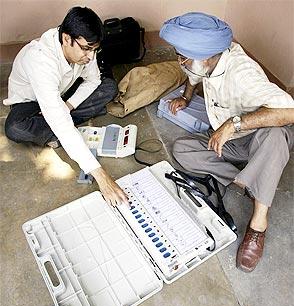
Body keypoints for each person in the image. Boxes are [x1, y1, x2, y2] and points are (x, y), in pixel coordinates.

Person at [160, 12, 294, 272]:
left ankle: (258, 222)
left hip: (260, 138)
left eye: (183, 57)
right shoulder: (205, 60)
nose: (179, 61)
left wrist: (232, 125)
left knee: (276, 135)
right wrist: (187, 98)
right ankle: (250, 180)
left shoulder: (242, 74)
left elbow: (291, 112)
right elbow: (194, 75)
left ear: (205, 56)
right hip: (234, 140)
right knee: (183, 149)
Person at [3, 6, 128, 206]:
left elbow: (94, 81)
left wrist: (68, 105)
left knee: (108, 87)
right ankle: (60, 127)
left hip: (62, 93)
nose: (90, 57)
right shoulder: (40, 61)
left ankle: (57, 125)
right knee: (15, 127)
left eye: (94, 49)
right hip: (30, 102)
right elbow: (59, 120)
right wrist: (102, 176)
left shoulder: (86, 50)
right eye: (86, 49)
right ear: (67, 39)